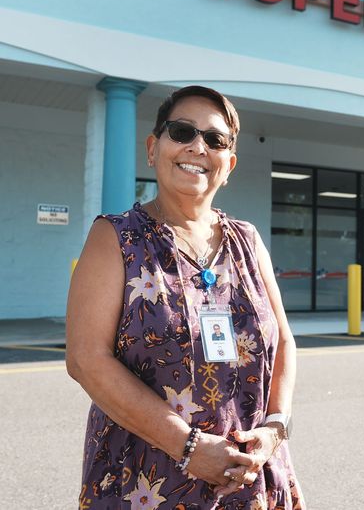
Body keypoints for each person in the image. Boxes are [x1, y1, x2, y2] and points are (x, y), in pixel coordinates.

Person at [66, 85, 305, 509]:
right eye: (182, 132)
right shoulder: (115, 238)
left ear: (228, 165)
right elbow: (86, 359)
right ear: (153, 148)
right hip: (146, 480)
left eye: (215, 140)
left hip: (248, 475)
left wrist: (275, 428)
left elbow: (283, 341)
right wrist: (190, 447)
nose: (198, 146)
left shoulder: (247, 240)